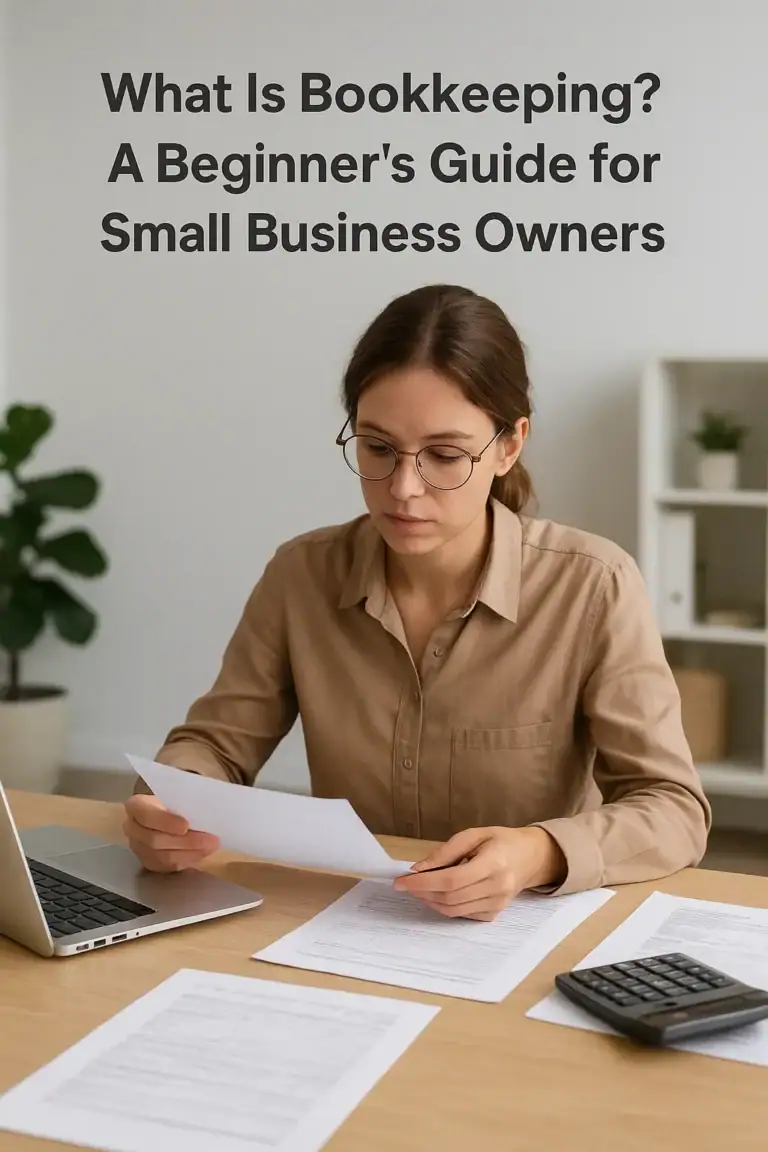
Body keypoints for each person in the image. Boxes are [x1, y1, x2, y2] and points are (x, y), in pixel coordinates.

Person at [124, 283, 711, 921]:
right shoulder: (302, 574)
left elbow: (674, 807)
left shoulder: (594, 585)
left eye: (445, 455)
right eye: (377, 448)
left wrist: (539, 852)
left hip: (521, 934)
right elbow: (213, 745)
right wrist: (170, 802)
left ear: (510, 445)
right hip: (348, 923)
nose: (403, 488)